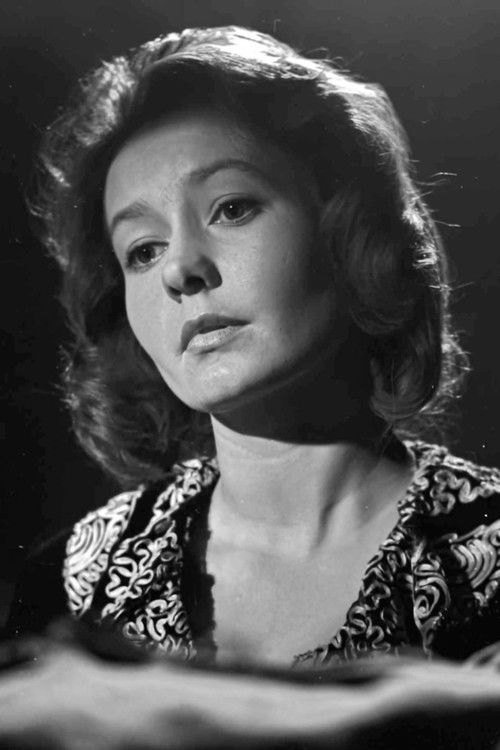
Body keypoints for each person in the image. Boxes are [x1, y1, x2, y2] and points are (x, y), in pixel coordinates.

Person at [5, 25, 500, 674]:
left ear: (349, 232)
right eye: (143, 250)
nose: (180, 269)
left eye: (232, 208)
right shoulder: (69, 590)